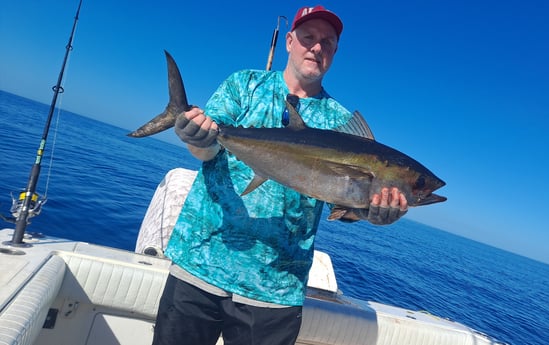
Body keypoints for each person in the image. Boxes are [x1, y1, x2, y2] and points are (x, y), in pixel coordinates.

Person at [152, 5, 409, 345]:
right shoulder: (244, 85)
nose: (317, 47)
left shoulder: (342, 124)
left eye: (327, 42)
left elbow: (341, 207)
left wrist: (371, 213)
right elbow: (208, 150)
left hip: (274, 288)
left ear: (335, 52)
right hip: (202, 261)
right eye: (308, 38)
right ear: (289, 41)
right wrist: (193, 136)